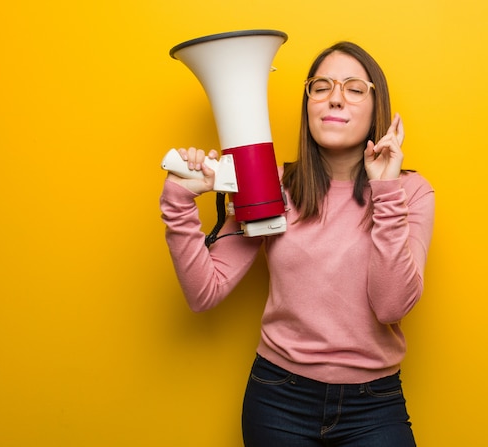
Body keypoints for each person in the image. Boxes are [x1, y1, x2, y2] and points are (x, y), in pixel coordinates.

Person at [160, 41, 435, 447]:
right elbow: (205, 292)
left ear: (378, 108)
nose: (335, 98)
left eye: (354, 88)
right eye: (321, 87)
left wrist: (385, 188)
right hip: (279, 400)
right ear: (308, 105)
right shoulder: (273, 186)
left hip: (374, 405)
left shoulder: (410, 192)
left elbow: (392, 305)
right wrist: (179, 203)